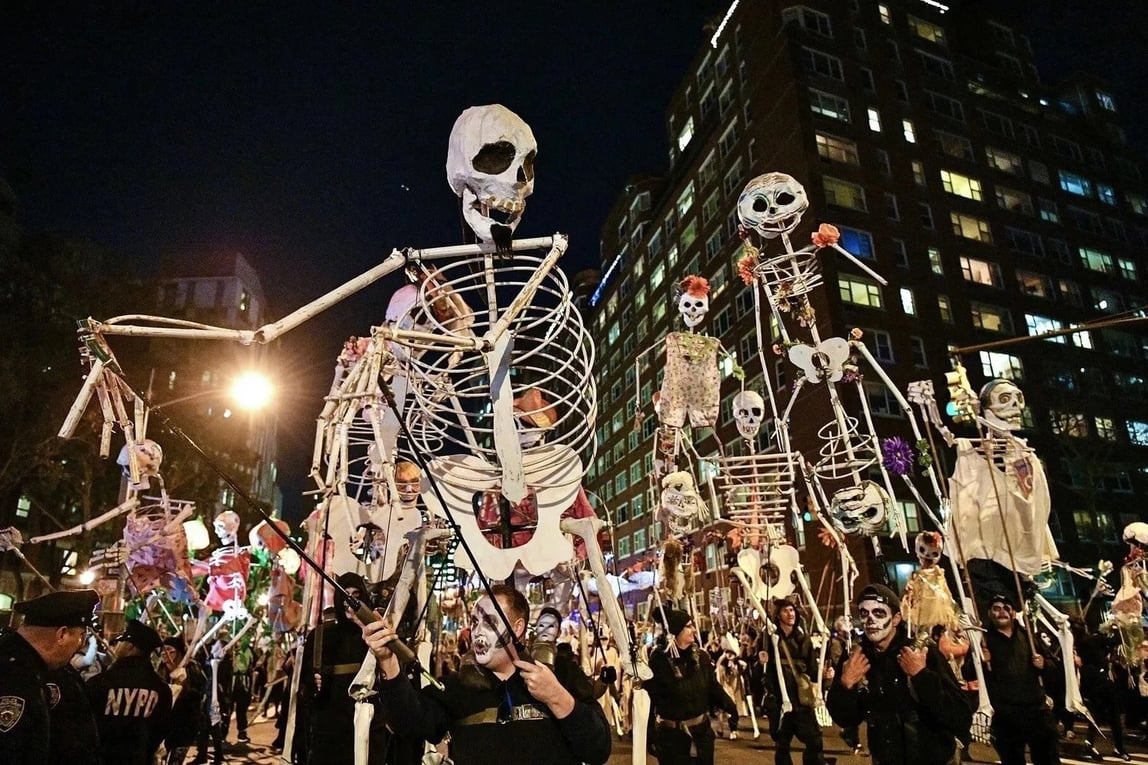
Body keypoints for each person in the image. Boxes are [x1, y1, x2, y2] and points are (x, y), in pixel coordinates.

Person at [361, 583, 612, 765]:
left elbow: (597, 749)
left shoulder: (561, 675)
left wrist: (557, 697)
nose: (478, 631)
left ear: (518, 628)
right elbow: (410, 722)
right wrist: (388, 661)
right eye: (475, 621)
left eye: (490, 621)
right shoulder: (458, 688)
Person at [827, 584, 971, 765]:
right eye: (864, 613)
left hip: (933, 757)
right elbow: (844, 718)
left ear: (895, 619)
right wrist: (845, 685)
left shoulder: (921, 652)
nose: (870, 620)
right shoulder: (856, 658)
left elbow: (961, 716)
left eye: (879, 613)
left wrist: (921, 676)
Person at [302, 572, 395, 765]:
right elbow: (305, 687)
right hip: (329, 731)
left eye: (356, 594)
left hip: (368, 728)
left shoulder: (376, 637)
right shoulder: (320, 637)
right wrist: (313, 683)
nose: (349, 600)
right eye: (346, 594)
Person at [0, 589, 100, 765]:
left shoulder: (36, 668)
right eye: (80, 636)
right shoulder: (15, 674)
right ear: (62, 634)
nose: (80, 645)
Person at [644, 608, 738, 765]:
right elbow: (651, 698)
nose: (694, 629)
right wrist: (649, 733)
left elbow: (712, 687)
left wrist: (730, 706)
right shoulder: (659, 660)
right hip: (672, 739)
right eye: (688, 626)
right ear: (676, 631)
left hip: (701, 735)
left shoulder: (701, 657)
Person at [980, 593, 1062, 765]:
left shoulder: (1029, 637)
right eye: (996, 608)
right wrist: (981, 662)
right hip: (1006, 714)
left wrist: (1043, 664)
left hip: (1036, 710)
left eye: (1006, 608)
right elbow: (968, 673)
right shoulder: (983, 640)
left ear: (1013, 613)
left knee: (1048, 758)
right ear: (989, 613)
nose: (1001, 612)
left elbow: (1054, 667)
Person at [87, 618, 173, 765]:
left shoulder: (100, 683)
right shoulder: (161, 690)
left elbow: (87, 726)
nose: (116, 646)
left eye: (121, 643)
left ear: (131, 647)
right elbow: (160, 730)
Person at [765, 599, 825, 765]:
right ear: (778, 615)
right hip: (781, 699)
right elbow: (763, 670)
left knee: (814, 740)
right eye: (785, 611)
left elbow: (812, 668)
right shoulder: (770, 639)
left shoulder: (803, 639)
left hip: (800, 698)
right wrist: (761, 662)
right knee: (782, 744)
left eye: (792, 610)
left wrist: (824, 678)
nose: (790, 614)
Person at [162, 635, 208, 765]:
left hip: (184, 727)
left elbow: (199, 694)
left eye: (170, 650)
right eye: (163, 651)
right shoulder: (161, 670)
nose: (165, 655)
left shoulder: (191, 668)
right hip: (164, 727)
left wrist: (183, 687)